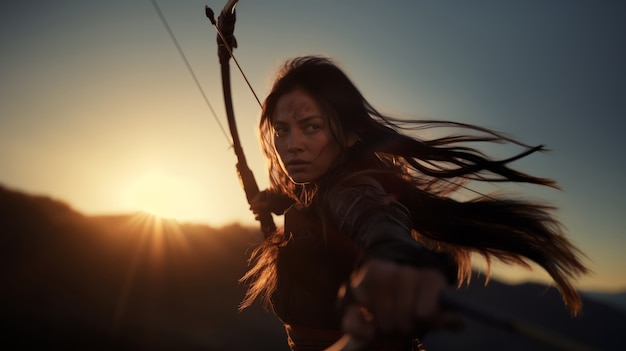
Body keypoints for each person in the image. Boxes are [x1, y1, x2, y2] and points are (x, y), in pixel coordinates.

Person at [242, 56, 588, 351]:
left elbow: (376, 219)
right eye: (281, 130)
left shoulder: (353, 190)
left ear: (351, 134)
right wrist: (269, 199)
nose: (292, 145)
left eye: (311, 127)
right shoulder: (318, 183)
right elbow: (302, 196)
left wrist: (395, 258)